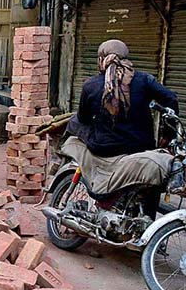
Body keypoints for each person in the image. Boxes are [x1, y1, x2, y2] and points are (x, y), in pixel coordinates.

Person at [74, 39, 178, 216]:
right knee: (152, 181)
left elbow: (83, 117)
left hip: (105, 150)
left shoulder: (90, 85)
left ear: (101, 60)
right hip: (140, 148)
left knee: (75, 123)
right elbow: (171, 100)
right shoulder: (144, 80)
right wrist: (168, 136)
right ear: (126, 59)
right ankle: (148, 225)